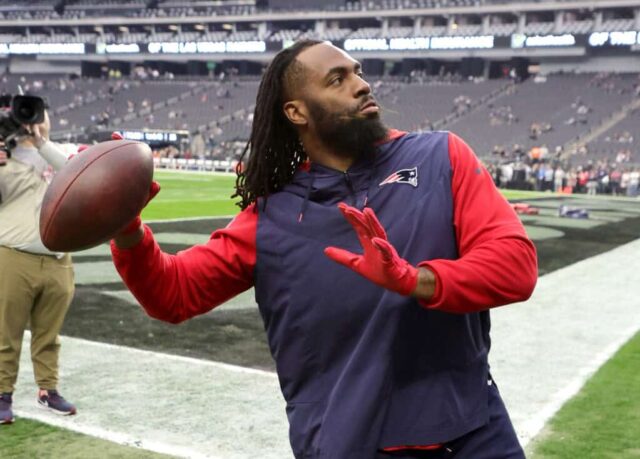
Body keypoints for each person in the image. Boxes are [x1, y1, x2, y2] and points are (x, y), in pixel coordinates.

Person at [111, 40, 537, 458]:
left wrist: (414, 279)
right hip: (351, 443)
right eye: (337, 79)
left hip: (473, 431)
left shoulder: (440, 156)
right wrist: (126, 227)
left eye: (358, 72)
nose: (361, 85)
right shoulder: (270, 218)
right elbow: (173, 294)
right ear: (296, 112)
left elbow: (516, 266)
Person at [0, 110, 77, 425]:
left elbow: (75, 174)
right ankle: (3, 393)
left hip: (59, 258)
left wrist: (41, 142)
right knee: (7, 331)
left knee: (50, 332)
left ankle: (48, 388)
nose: (32, 120)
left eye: (37, 112)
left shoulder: (61, 153)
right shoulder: (5, 159)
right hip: (15, 254)